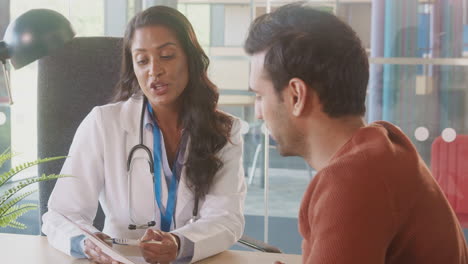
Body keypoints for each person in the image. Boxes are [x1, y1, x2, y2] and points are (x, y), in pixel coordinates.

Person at [245, 3, 468, 264]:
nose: (258, 113)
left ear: (296, 96)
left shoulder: (353, 180)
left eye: (260, 96)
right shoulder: (383, 147)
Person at [42, 6, 246, 264]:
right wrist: (88, 242)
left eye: (167, 55)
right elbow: (61, 213)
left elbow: (226, 217)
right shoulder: (104, 123)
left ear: (190, 59)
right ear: (134, 69)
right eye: (142, 60)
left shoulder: (224, 130)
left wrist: (179, 243)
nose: (154, 70)